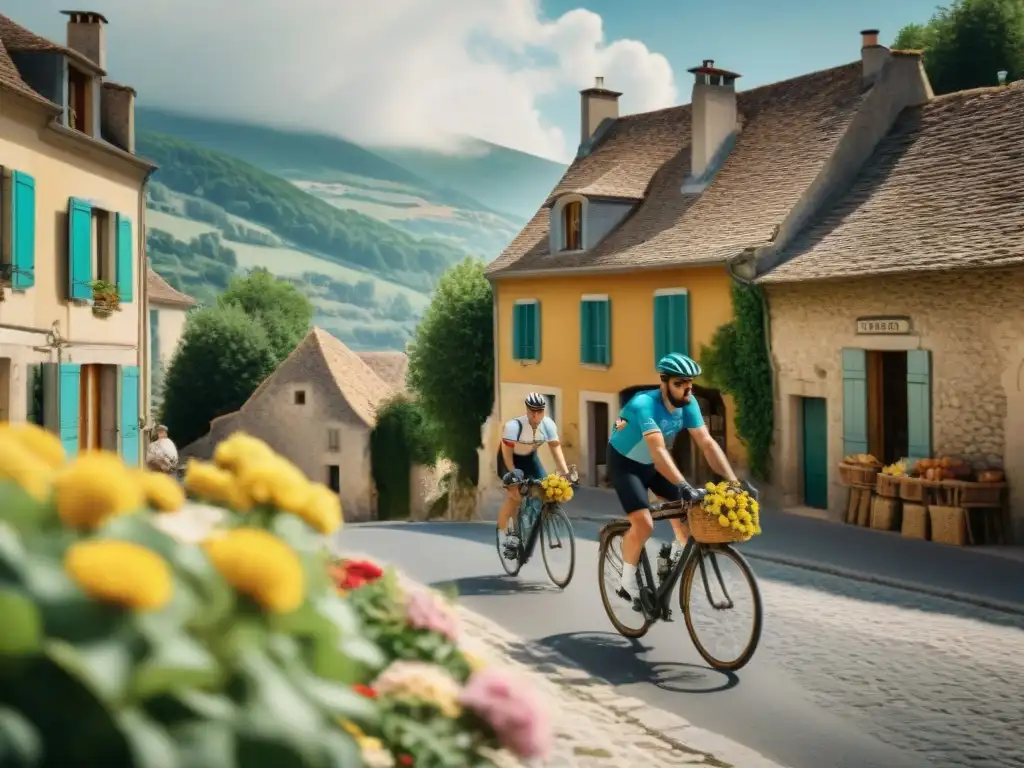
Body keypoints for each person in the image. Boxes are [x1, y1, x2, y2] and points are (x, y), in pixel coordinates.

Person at [608, 352, 751, 610]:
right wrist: (684, 485)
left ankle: (670, 561)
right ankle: (626, 582)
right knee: (644, 524)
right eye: (680, 383)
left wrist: (733, 482)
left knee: (688, 519)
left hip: (653, 465)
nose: (687, 389)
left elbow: (707, 443)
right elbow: (659, 451)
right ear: (664, 382)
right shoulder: (644, 405)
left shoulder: (689, 403)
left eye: (690, 383)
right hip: (625, 464)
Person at [496, 392, 570, 558]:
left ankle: (532, 523)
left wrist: (564, 471)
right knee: (514, 496)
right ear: (527, 410)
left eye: (540, 411)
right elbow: (507, 454)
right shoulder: (514, 426)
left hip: (530, 459)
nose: (536, 415)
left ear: (544, 411)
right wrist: (514, 474)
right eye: (532, 411)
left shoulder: (548, 425)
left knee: (545, 488)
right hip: (509, 460)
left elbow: (555, 447)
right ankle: (508, 536)